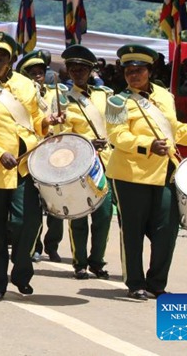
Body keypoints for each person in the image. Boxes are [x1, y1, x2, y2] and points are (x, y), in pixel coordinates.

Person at [0, 32, 63, 301]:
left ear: (11, 59)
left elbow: (35, 118)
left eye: (1, 57)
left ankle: (21, 271)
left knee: (26, 222)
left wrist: (48, 121)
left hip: (25, 166)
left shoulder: (26, 84)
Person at [105, 44, 187, 300]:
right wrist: (147, 145)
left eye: (139, 70)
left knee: (167, 229)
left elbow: (172, 128)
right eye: (129, 71)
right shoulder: (116, 101)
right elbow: (117, 136)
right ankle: (135, 282)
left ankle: (157, 283)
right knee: (132, 231)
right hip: (131, 174)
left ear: (149, 71)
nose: (133, 75)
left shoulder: (164, 95)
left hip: (165, 172)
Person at [60, 44, 114, 280]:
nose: (77, 72)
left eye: (82, 68)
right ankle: (79, 262)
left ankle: (97, 261)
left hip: (106, 162)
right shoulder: (64, 99)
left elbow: (116, 127)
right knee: (79, 216)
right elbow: (62, 135)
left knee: (103, 216)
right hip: (79, 163)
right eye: (72, 68)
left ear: (91, 70)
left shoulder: (107, 96)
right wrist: (87, 142)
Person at [16, 50, 64, 263]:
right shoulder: (20, 95)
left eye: (40, 71)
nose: (36, 75)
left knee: (55, 201)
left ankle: (52, 245)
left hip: (54, 152)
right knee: (33, 204)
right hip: (32, 152)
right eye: (31, 72)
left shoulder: (56, 93)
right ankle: (35, 245)